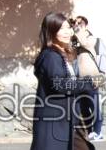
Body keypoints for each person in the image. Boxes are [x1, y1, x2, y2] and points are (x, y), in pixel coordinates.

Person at [30, 12, 101, 150]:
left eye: (68, 28)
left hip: (67, 121)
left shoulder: (61, 54)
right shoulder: (51, 56)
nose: (67, 32)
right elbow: (60, 84)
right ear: (50, 31)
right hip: (55, 123)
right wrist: (87, 83)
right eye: (61, 28)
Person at [72, 16, 105, 141]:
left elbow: (84, 43)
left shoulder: (91, 39)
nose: (77, 24)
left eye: (80, 22)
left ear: (86, 25)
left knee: (95, 106)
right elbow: (70, 49)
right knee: (83, 108)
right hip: (79, 80)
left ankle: (98, 132)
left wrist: (78, 30)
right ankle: (90, 131)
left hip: (92, 79)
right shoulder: (76, 41)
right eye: (75, 23)